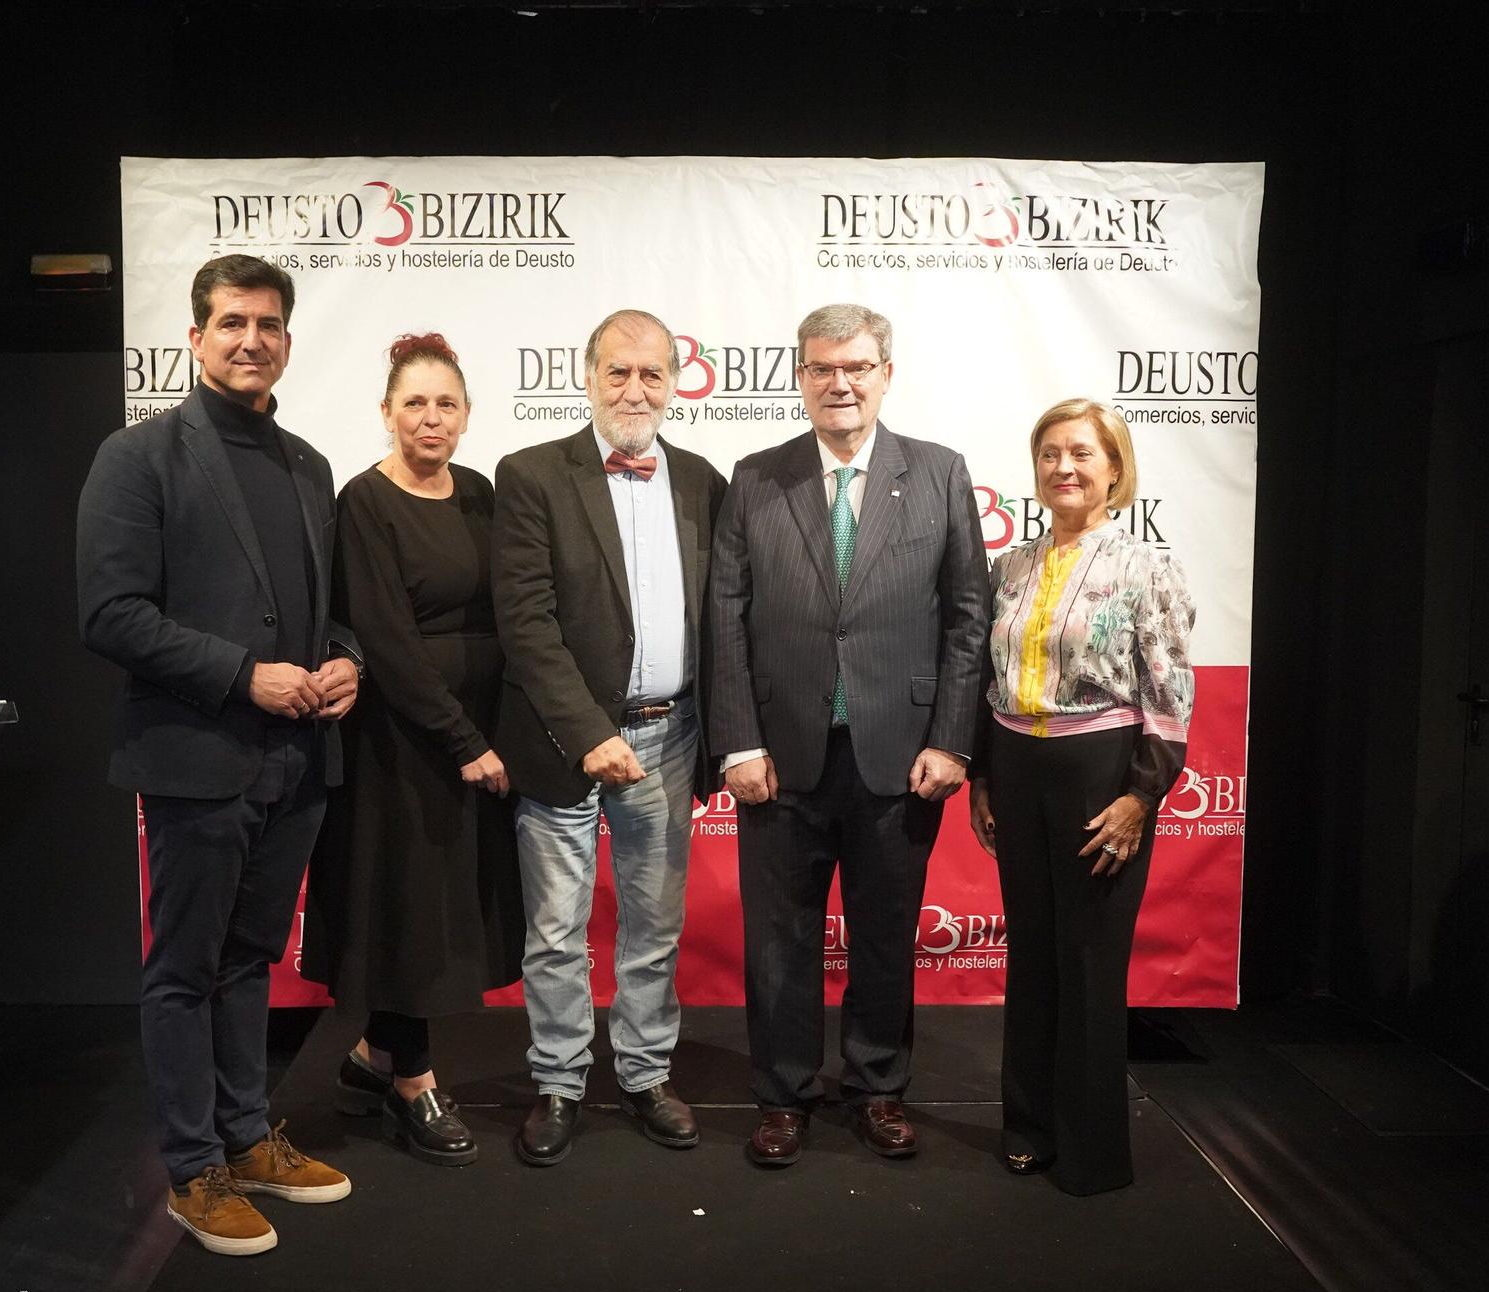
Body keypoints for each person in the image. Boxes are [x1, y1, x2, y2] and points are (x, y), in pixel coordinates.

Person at [77, 254, 359, 1255]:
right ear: (195, 337)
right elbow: (108, 615)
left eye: (269, 323)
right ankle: (192, 1167)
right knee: (182, 972)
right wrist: (245, 673)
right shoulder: (139, 456)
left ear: (286, 339)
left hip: (296, 763)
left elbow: (333, 617)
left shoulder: (308, 466)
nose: (252, 338)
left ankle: (246, 1139)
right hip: (197, 757)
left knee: (249, 963)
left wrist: (344, 663)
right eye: (232, 321)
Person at [707, 302, 989, 1167]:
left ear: (885, 374)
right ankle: (783, 1095)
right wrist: (738, 741)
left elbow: (968, 617)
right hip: (780, 758)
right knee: (778, 940)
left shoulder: (939, 473)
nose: (841, 383)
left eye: (858, 367)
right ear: (799, 376)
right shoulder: (755, 477)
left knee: (884, 932)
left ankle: (877, 1087)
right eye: (823, 368)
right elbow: (725, 614)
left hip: (901, 756)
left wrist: (951, 739)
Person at [491, 308, 729, 1165]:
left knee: (653, 923)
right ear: (587, 376)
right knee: (555, 928)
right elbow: (525, 621)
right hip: (562, 741)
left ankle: (644, 1072)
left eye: (652, 373)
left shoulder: (704, 480)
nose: (635, 389)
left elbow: (720, 622)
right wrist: (588, 731)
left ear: (675, 382)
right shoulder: (530, 474)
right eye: (618, 372)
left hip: (670, 741)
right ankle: (558, 1080)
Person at [302, 332, 524, 1167]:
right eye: (415, 403)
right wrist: (463, 739)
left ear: (467, 415)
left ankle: (367, 1061)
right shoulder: (365, 499)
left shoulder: (479, 492)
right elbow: (387, 641)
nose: (431, 418)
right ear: (387, 412)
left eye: (447, 404)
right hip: (400, 744)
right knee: (406, 916)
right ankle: (411, 1084)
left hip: (478, 735)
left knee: (443, 912)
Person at [968, 398, 1195, 1196]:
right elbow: (990, 681)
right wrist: (985, 778)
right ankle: (1027, 1126)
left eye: (1082, 454)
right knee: (1032, 953)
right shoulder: (1012, 566)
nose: (1064, 467)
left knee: (1091, 959)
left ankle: (1092, 1149)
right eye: (1050, 454)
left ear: (1114, 469)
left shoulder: (1146, 566)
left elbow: (1170, 694)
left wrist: (1142, 797)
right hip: (1017, 767)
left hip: (1101, 772)